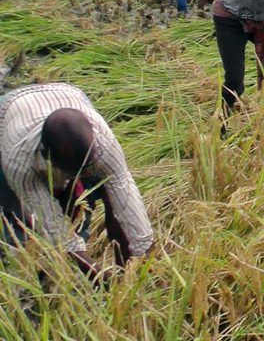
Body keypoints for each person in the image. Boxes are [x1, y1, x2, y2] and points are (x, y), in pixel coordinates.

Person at [0, 83, 155, 282]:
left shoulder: (102, 143)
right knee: (16, 218)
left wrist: (146, 260)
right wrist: (99, 274)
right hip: (8, 114)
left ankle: (121, 266)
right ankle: (27, 279)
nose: (77, 175)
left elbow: (125, 197)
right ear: (47, 156)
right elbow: (53, 227)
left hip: (70, 96)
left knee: (99, 190)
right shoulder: (18, 159)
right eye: (73, 171)